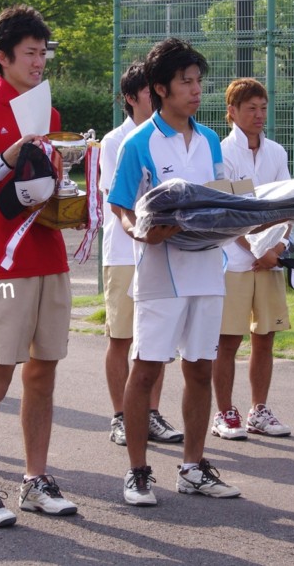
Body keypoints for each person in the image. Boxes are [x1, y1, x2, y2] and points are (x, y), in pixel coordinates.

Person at [0, 4, 77, 527]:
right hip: (3, 266)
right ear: (2, 58)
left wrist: (70, 193)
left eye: (43, 53)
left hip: (50, 257)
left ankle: (34, 479)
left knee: (43, 374)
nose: (39, 62)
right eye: (30, 53)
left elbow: (47, 190)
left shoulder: (51, 116)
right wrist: (6, 160)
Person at [108, 37, 241, 506]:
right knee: (146, 370)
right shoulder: (138, 142)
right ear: (160, 88)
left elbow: (220, 195)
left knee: (201, 369)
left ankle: (192, 467)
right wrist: (140, 232)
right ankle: (138, 472)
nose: (196, 90)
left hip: (207, 268)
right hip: (160, 273)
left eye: (198, 81)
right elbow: (121, 205)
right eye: (186, 82)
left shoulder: (209, 140)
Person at [101, 62, 182, 448]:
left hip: (160, 251)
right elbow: (121, 200)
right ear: (131, 98)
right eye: (150, 92)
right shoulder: (115, 141)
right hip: (123, 252)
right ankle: (121, 416)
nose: (157, 97)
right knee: (121, 338)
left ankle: (150, 413)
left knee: (156, 340)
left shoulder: (171, 137)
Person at [211, 78, 293, 441]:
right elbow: (225, 213)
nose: (259, 115)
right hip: (233, 260)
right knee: (228, 340)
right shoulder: (221, 153)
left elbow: (288, 203)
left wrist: (278, 247)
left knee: (265, 337)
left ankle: (259, 410)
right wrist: (256, 248)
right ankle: (224, 412)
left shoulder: (276, 152)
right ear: (232, 111)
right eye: (250, 108)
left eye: (263, 108)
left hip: (269, 260)